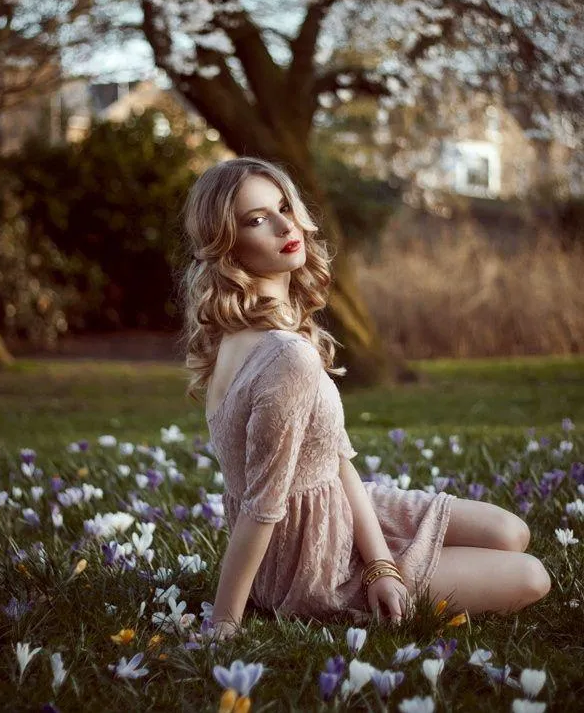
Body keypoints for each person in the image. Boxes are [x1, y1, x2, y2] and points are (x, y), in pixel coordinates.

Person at [178, 156, 551, 641]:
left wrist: (380, 565)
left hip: (346, 505)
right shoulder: (285, 355)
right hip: (309, 561)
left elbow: (335, 461)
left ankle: (393, 562)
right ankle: (368, 582)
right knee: (532, 576)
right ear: (228, 245)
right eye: (256, 220)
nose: (285, 224)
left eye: (284, 206)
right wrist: (224, 622)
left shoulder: (248, 332)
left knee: (510, 533)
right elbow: (261, 507)